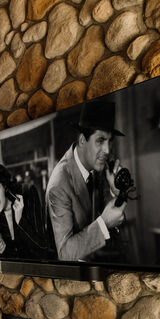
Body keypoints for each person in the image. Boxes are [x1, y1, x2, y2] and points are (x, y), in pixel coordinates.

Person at [45, 100, 127, 262]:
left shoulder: (97, 167)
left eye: (110, 141)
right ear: (82, 140)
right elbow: (65, 253)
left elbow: (112, 219)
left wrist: (115, 192)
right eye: (100, 140)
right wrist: (103, 224)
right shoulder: (58, 185)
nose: (108, 150)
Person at [0, 161, 53, 259]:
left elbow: (43, 249)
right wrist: (1, 250)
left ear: (5, 186)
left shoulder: (28, 194)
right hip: (14, 273)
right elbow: (7, 260)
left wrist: (20, 221)